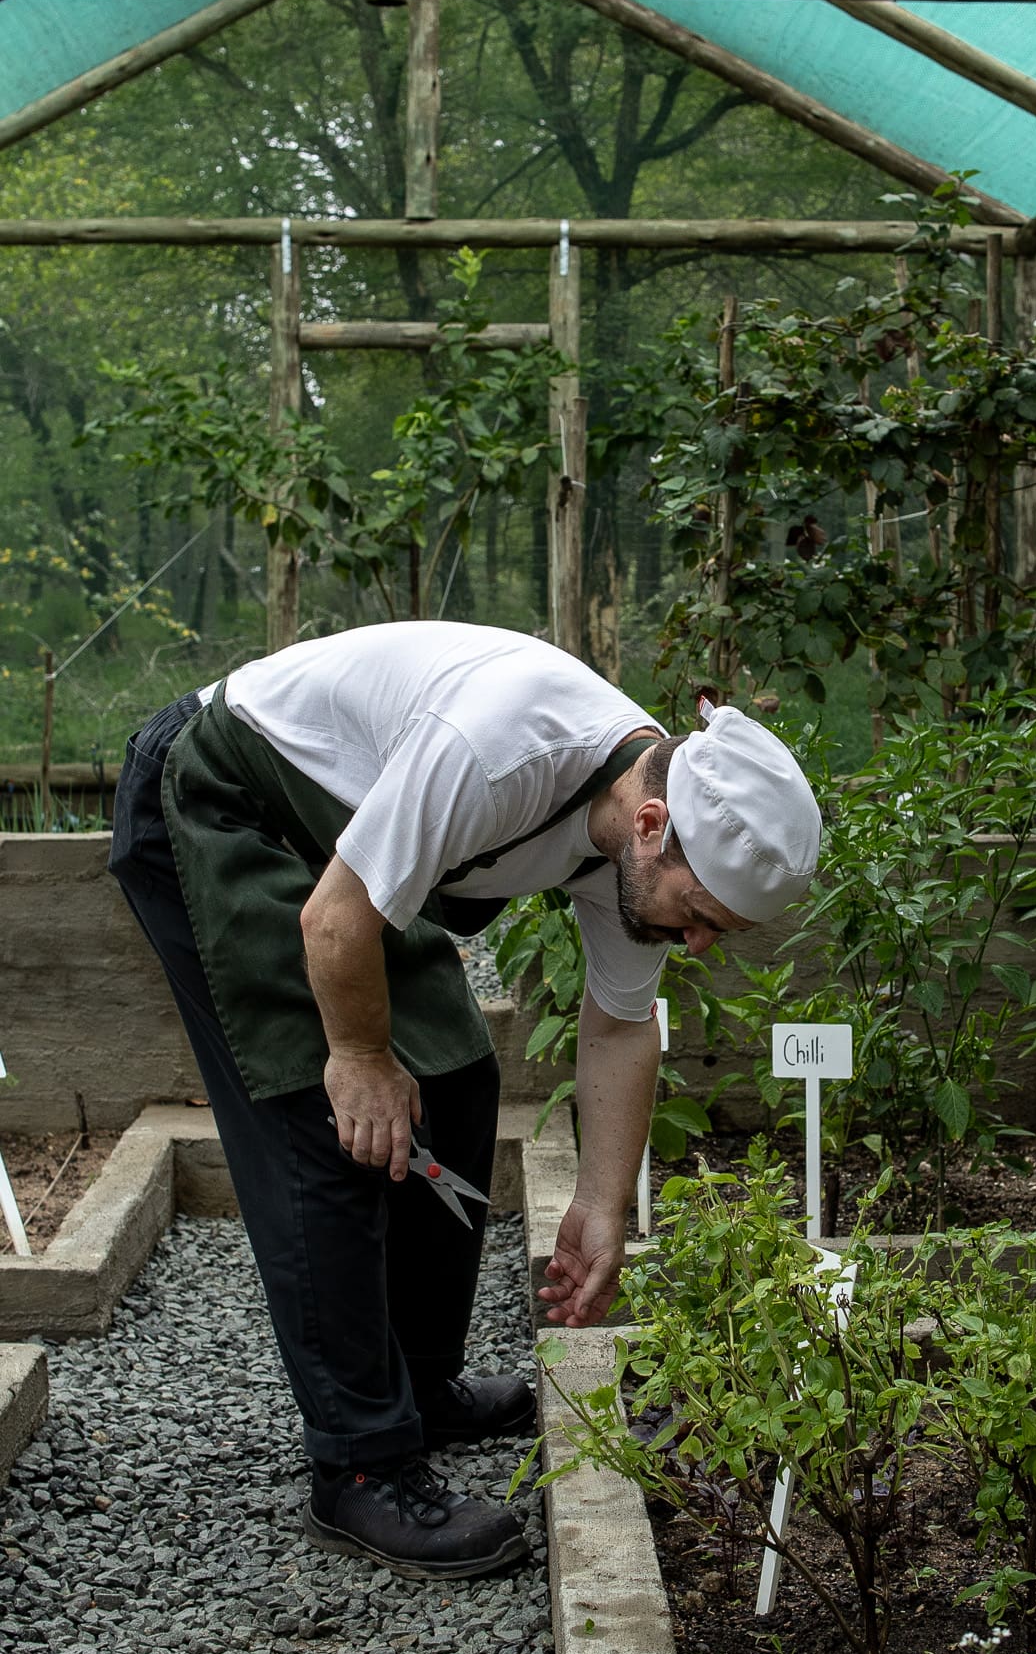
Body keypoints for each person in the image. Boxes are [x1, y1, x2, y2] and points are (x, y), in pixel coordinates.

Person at [109, 621, 821, 1583]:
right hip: (222, 800)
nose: (695, 945)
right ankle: (359, 1463)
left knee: (454, 1076)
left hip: (341, 854)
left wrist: (602, 1207)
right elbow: (334, 921)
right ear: (653, 826)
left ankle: (423, 1385)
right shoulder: (501, 751)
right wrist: (357, 1055)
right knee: (326, 1123)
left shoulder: (639, 828)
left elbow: (619, 1025)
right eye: (697, 918)